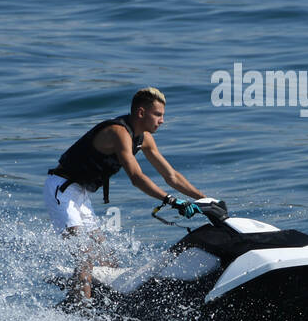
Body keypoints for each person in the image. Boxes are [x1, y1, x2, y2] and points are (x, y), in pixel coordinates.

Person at [44, 87, 209, 301]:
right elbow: (136, 177)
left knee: (108, 260)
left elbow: (171, 176)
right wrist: (171, 200)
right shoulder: (118, 132)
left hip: (81, 195)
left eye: (163, 115)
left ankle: (106, 304)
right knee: (84, 258)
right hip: (61, 190)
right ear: (141, 113)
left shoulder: (145, 139)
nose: (162, 121)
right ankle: (80, 316)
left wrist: (203, 198)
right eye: (158, 115)